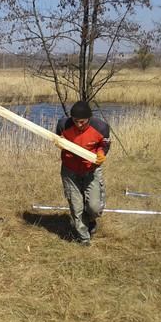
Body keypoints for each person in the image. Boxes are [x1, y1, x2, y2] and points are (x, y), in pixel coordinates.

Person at [55, 101, 111, 247]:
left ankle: (91, 220)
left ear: (89, 118)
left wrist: (101, 153)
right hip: (70, 170)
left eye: (82, 122)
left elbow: (105, 144)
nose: (78, 125)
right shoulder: (63, 125)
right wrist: (60, 143)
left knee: (94, 207)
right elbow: (58, 137)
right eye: (75, 121)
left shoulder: (101, 127)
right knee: (76, 206)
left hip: (91, 170)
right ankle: (84, 238)